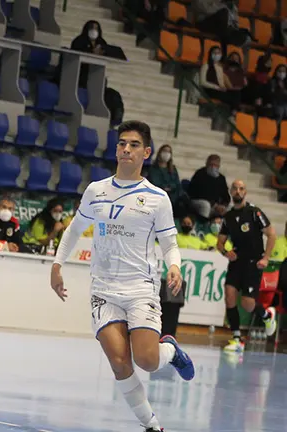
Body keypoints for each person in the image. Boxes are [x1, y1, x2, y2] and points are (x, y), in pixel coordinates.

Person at [51, 120, 194, 432]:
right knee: (119, 361)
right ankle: (152, 425)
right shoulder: (96, 191)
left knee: (146, 359)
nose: (125, 149)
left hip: (141, 288)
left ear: (146, 152)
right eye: (121, 144)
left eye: (132, 145)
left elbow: (170, 242)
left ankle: (169, 351)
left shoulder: (157, 197)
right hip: (103, 289)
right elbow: (75, 229)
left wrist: (174, 266)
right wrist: (57, 265)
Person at [217, 180, 277, 352]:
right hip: (237, 262)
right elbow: (220, 243)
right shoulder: (228, 217)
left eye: (241, 188)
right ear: (230, 192)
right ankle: (236, 339)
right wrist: (226, 252)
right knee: (229, 295)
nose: (238, 191)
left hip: (253, 263)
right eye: (235, 188)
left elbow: (271, 234)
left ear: (245, 192)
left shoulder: (254, 212)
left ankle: (267, 315)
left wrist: (266, 257)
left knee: (248, 304)